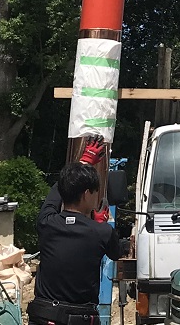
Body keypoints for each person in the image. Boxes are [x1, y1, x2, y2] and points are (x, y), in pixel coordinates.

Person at [28, 136, 122, 325]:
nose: (97, 197)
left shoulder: (47, 223)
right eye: (96, 192)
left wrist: (83, 161)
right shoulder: (102, 232)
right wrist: (96, 223)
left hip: (43, 315)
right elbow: (116, 253)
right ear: (87, 193)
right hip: (80, 318)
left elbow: (56, 193)